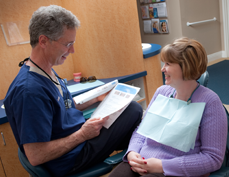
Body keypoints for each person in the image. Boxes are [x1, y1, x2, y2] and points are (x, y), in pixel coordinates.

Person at [4, 5, 142, 177]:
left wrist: (96, 98)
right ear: (43, 41)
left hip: (77, 139)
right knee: (134, 112)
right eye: (68, 44)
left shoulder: (45, 70)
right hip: (70, 158)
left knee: (131, 117)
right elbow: (36, 156)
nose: (72, 50)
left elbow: (62, 107)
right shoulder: (29, 92)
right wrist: (82, 134)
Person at [109, 37, 228, 177]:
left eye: (168, 64)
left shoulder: (210, 102)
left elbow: (213, 159)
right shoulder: (162, 92)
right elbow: (141, 131)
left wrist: (162, 166)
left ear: (187, 66)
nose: (162, 69)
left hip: (176, 171)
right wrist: (132, 152)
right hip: (142, 161)